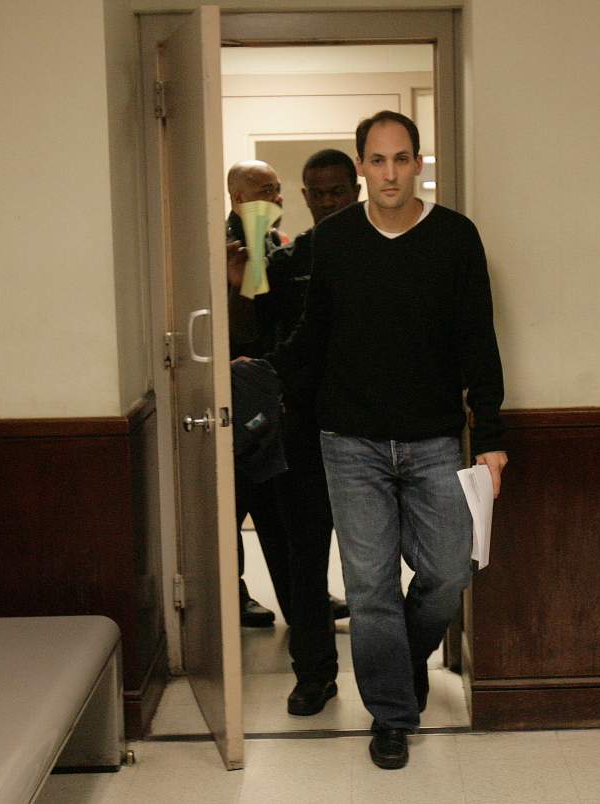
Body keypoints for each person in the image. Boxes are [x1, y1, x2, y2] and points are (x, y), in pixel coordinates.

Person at [267, 112, 507, 769]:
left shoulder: (456, 239)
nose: (391, 173)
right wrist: (266, 376)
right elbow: (315, 336)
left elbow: (478, 341)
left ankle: (400, 658)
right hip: (351, 442)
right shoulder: (335, 242)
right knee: (369, 588)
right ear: (363, 166)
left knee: (447, 574)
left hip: (432, 439)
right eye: (378, 161)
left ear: (419, 162)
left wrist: (490, 433)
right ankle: (393, 714)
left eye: (403, 159)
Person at [262, 148, 362, 715]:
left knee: (370, 562)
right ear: (304, 196)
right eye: (317, 193)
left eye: (337, 193)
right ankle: (314, 674)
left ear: (355, 190)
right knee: (305, 558)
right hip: (300, 431)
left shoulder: (375, 253)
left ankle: (386, 677)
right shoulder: (286, 262)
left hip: (363, 428)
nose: (326, 203)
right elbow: (263, 337)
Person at [225, 160, 289, 629]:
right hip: (233, 396)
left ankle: (300, 599)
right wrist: (241, 275)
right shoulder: (224, 246)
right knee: (235, 505)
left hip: (272, 389)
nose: (278, 198)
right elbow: (245, 323)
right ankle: (236, 595)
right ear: (240, 199)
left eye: (279, 189)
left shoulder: (271, 242)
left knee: (278, 507)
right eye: (267, 190)